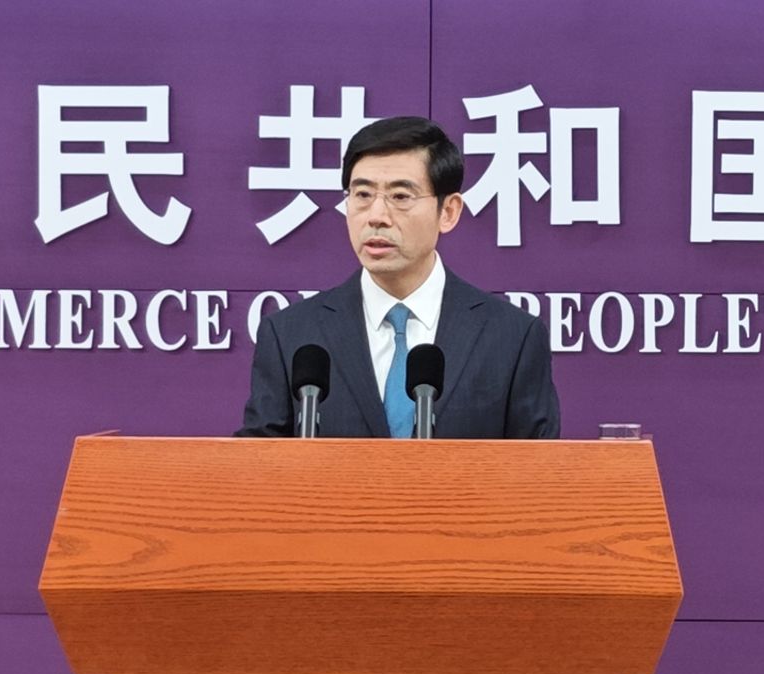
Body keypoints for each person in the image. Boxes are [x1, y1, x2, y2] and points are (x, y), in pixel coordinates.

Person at [236, 116, 559, 438]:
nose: (377, 216)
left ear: (448, 212)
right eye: (362, 194)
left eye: (401, 197)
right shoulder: (291, 334)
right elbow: (256, 461)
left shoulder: (512, 337)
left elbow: (538, 465)